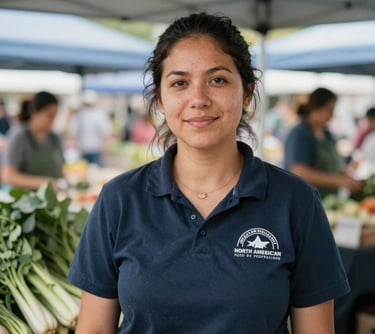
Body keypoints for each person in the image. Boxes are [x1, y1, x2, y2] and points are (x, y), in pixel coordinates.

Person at [68, 12, 350, 334]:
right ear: (160, 98)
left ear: (246, 92)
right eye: (179, 83)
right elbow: (93, 328)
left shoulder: (296, 202)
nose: (198, 99)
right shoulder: (119, 199)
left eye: (217, 80)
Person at [283, 87, 362, 198]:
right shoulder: (301, 134)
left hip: (326, 200)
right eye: (329, 109)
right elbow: (299, 171)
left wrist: (346, 176)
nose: (332, 115)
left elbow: (332, 166)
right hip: (304, 201)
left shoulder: (327, 134)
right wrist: (338, 180)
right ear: (315, 108)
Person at [1, 91, 66, 190]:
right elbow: (7, 176)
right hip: (24, 200)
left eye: (55, 115)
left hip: (52, 200)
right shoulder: (19, 136)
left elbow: (61, 170)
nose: (53, 120)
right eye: (49, 115)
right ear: (34, 112)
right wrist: (44, 183)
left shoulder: (55, 138)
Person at [68, 90, 112, 166]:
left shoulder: (80, 115)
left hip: (90, 150)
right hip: (88, 150)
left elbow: (73, 134)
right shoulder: (99, 115)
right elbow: (106, 134)